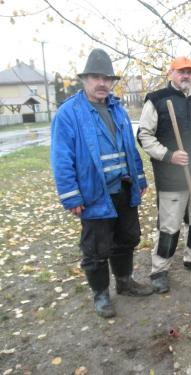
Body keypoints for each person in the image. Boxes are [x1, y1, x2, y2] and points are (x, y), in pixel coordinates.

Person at [51, 48, 152, 319]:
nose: (102, 83)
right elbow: (61, 158)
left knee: (127, 238)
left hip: (124, 189)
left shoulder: (117, 109)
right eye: (95, 77)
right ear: (84, 80)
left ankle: (125, 282)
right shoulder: (69, 113)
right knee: (96, 249)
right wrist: (71, 196)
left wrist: (139, 177)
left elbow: (130, 147)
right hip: (94, 194)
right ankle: (101, 294)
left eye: (106, 78)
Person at [138, 56, 191, 293]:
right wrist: (169, 155)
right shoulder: (158, 100)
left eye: (189, 72)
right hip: (171, 177)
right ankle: (160, 269)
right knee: (169, 226)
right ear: (170, 73)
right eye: (181, 72)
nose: (186, 76)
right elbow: (144, 136)